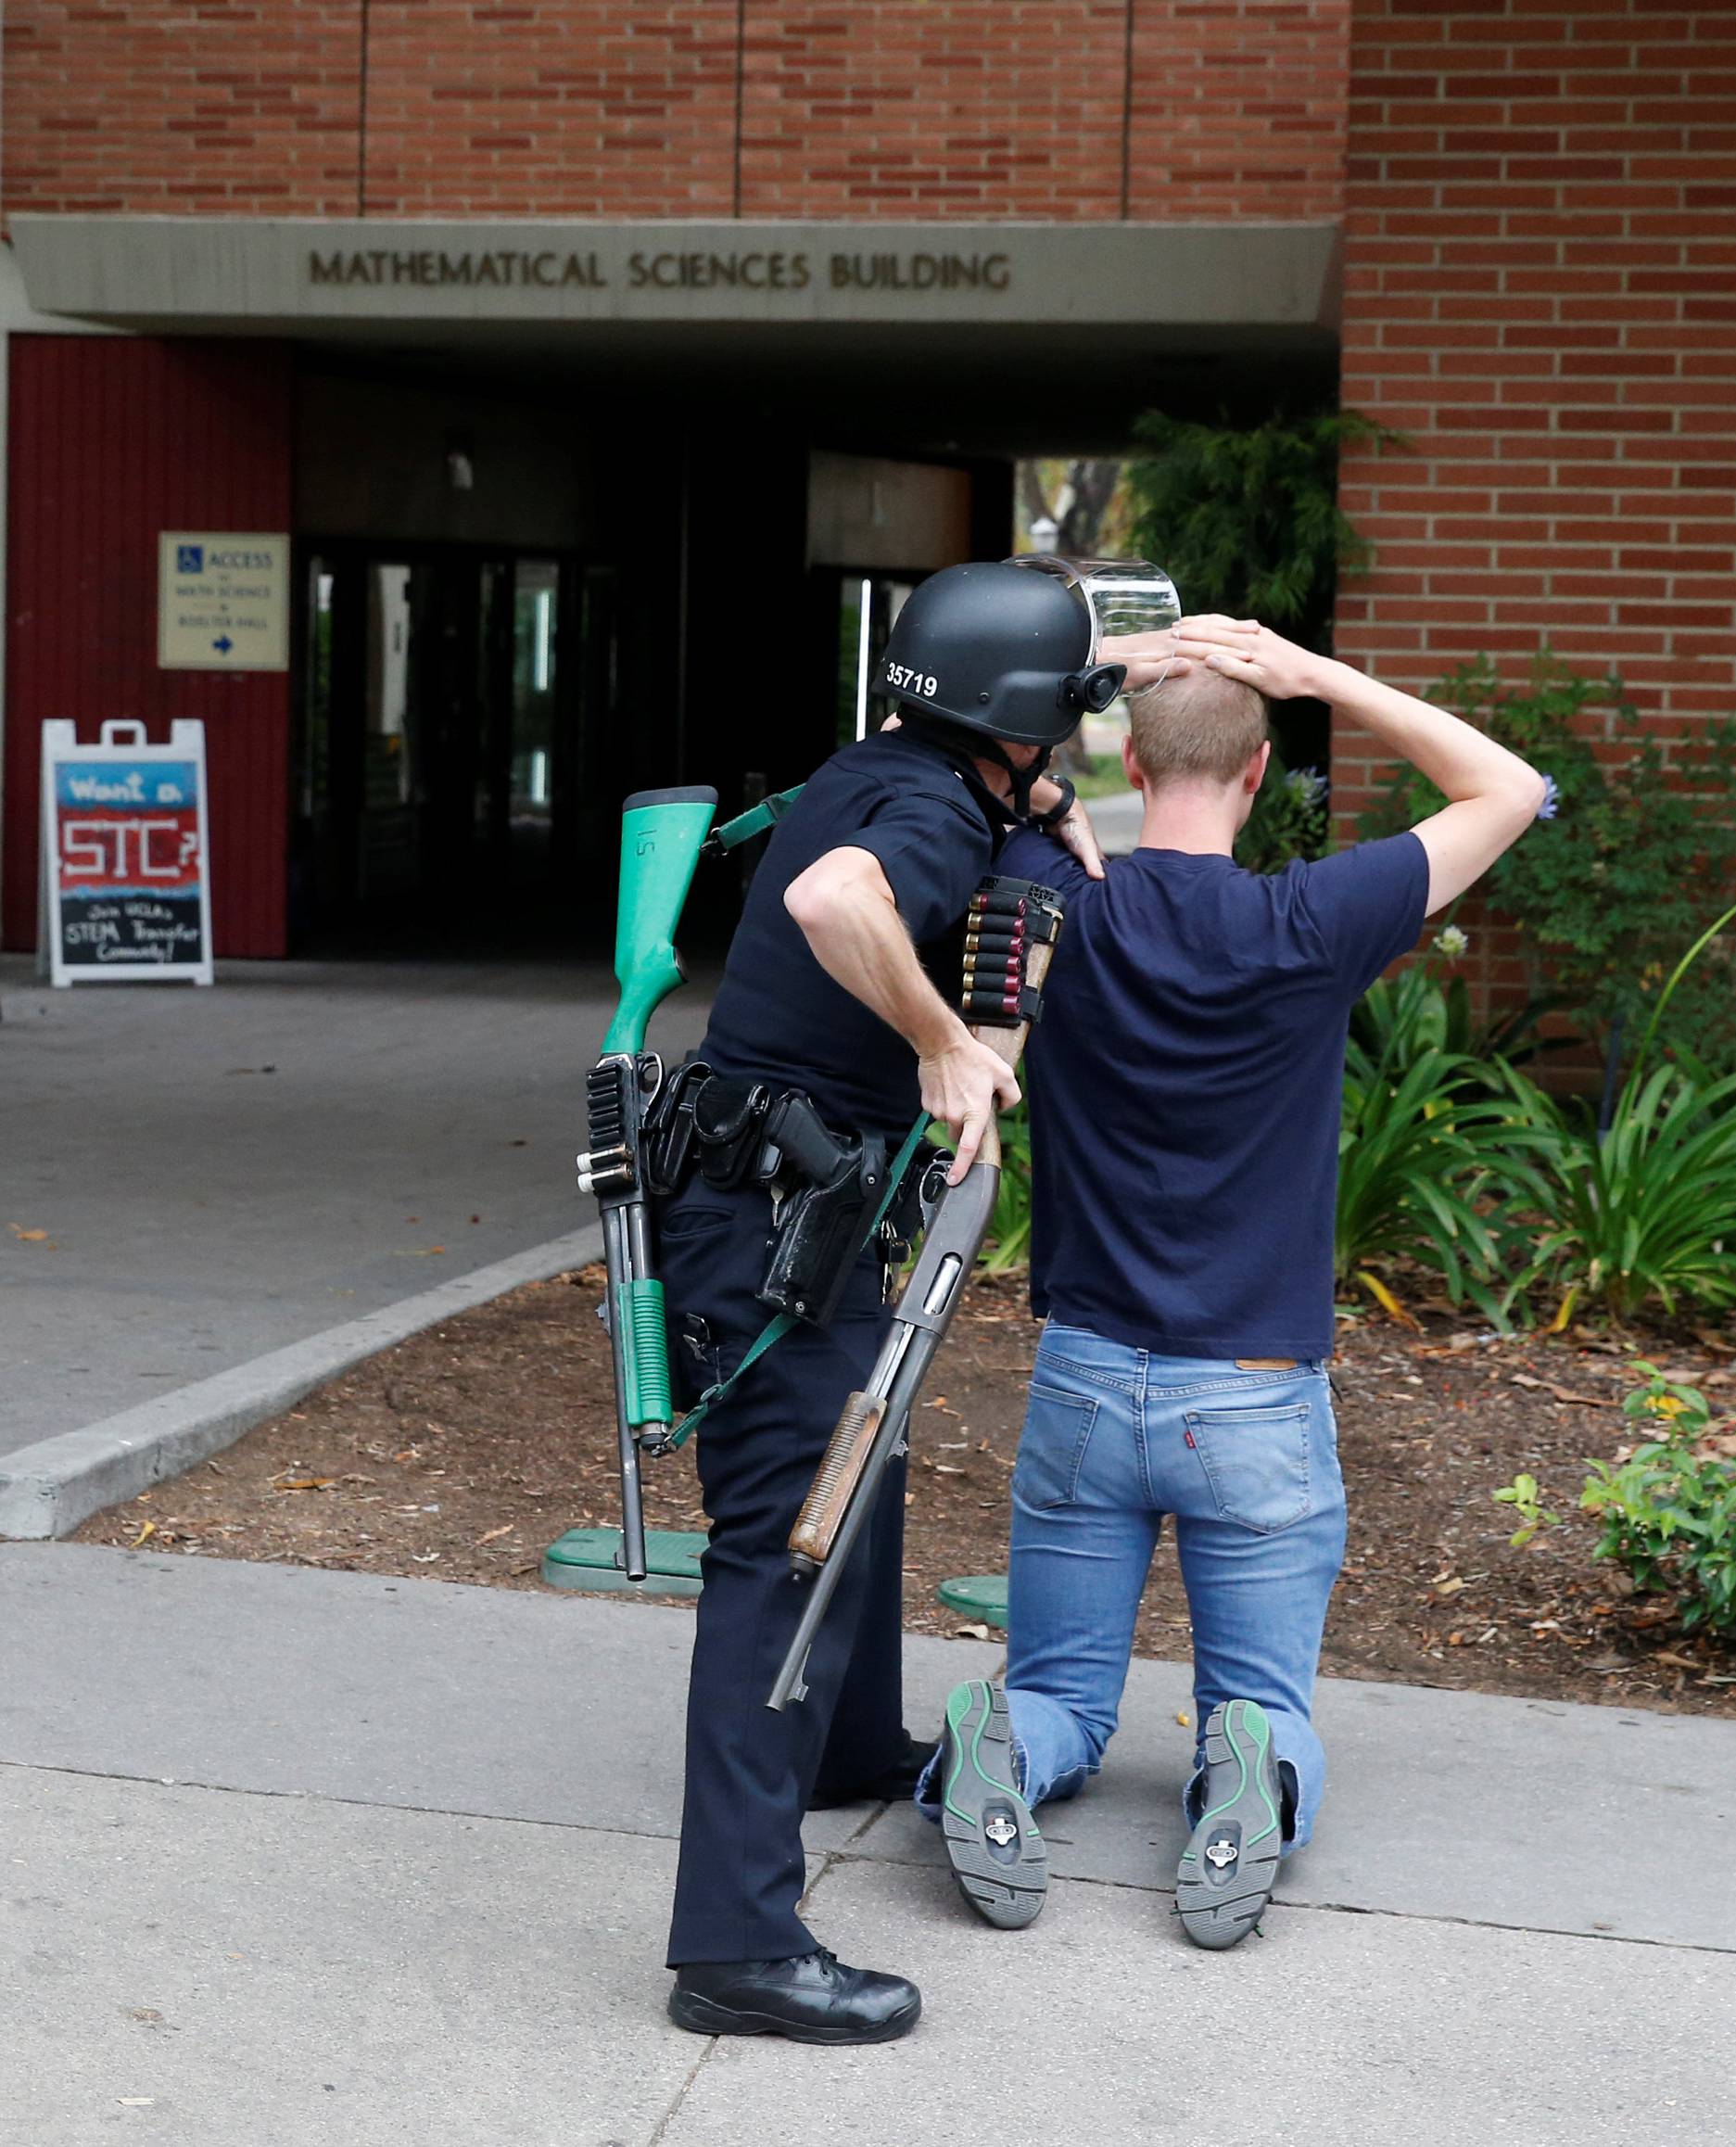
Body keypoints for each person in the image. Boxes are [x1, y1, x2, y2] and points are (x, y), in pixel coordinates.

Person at [920, 619, 1546, 1949]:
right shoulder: (1312, 918)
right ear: (1260, 773)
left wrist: (1101, 673)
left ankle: (1002, 1749)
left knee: (1064, 1702)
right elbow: (1508, 789)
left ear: (1132, 770)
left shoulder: (1052, 894)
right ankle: (1245, 1777)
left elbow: (923, 760)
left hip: (1085, 1380)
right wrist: (1314, 675)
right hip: (1254, 1401)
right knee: (1260, 1711)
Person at [656, 560, 1197, 2044]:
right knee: (781, 1553)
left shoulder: (894, 767)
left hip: (774, 1200)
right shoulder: (928, 813)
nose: (1081, 744)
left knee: (861, 1472)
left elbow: (905, 844)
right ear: (1022, 722)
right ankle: (734, 1946)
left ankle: (844, 1746)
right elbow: (841, 900)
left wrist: (1037, 820)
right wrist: (948, 1041)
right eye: (1071, 715)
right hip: (771, 1228)